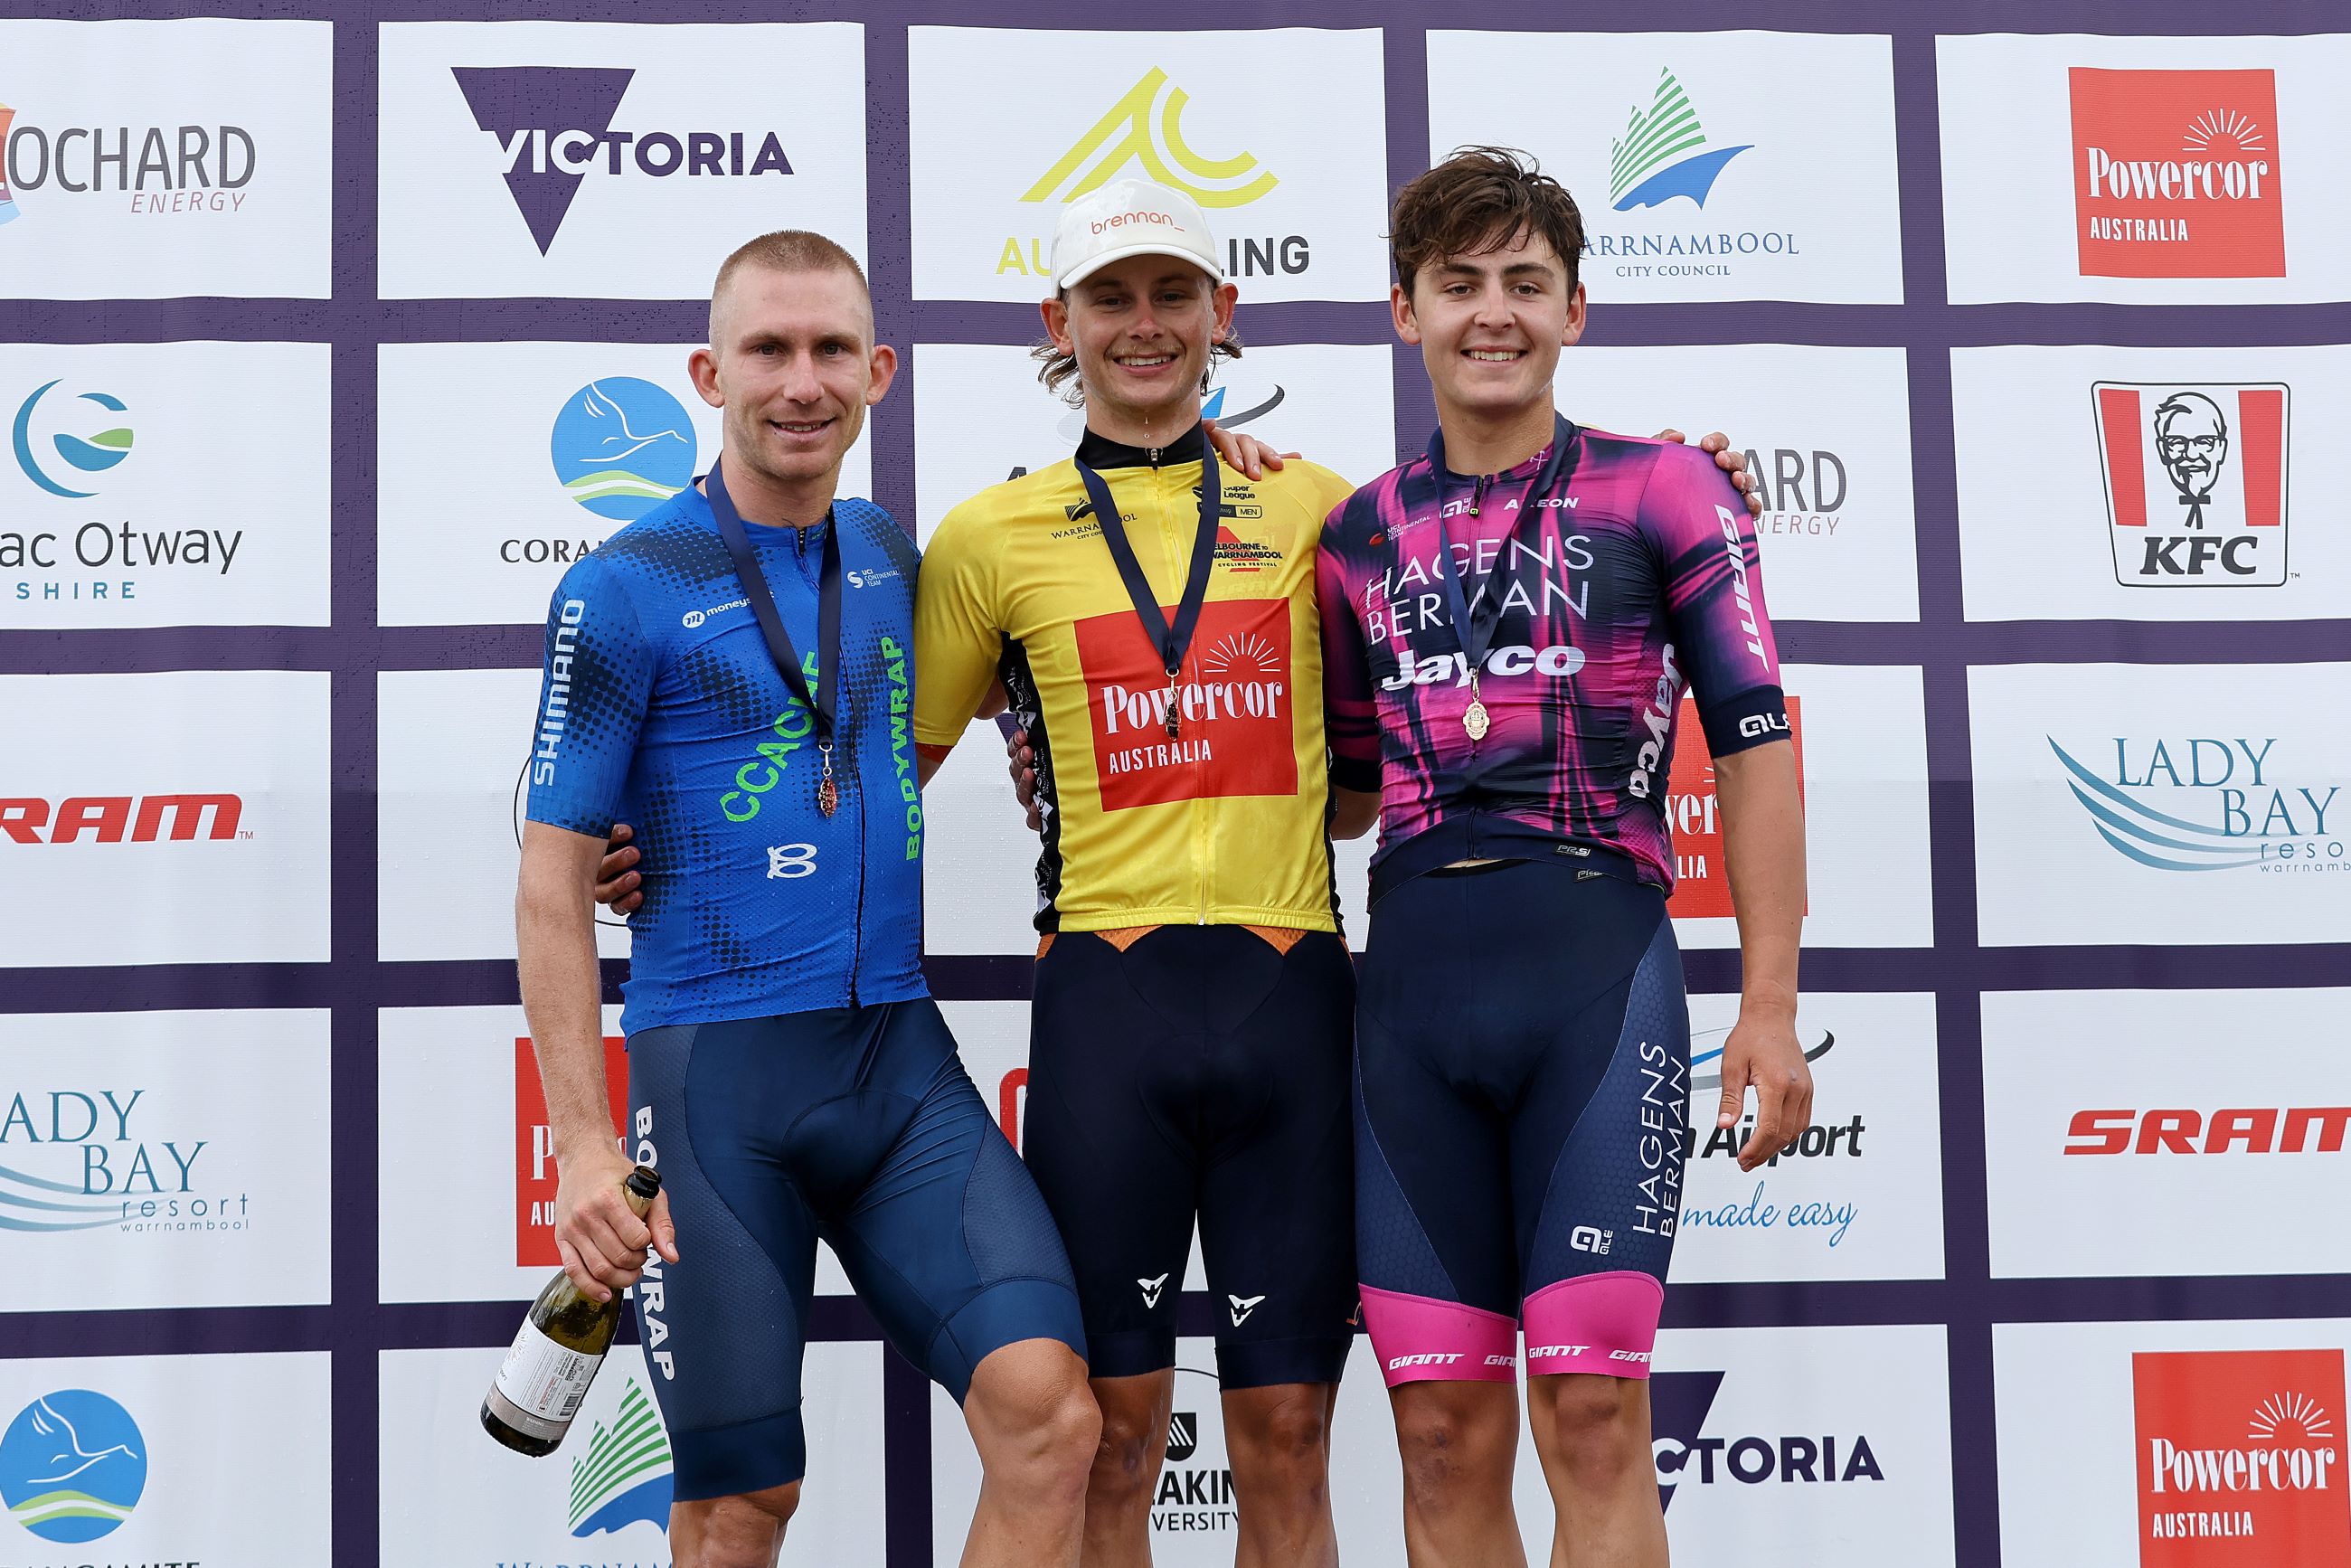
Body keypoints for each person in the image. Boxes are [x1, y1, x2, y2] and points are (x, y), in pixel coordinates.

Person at [515, 229, 1099, 1568]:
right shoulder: (622, 587)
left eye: (832, 348)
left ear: (880, 370)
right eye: (767, 350)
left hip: (895, 1058)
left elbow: (1076, 558)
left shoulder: (895, 553)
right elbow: (551, 888)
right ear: (707, 373)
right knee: (737, 1507)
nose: (801, 381)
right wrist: (585, 1146)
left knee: (1050, 1420)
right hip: (719, 1079)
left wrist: (1228, 446)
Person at [1315, 146, 1813, 1567]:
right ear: (1401, 309)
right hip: (1410, 986)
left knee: (1592, 1411)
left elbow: (1760, 747)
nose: (1493, 313)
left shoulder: (1666, 492)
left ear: (1577, 310)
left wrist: (1768, 1005)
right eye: (1457, 283)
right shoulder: (1352, 531)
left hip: (1595, 971)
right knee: (1437, 1435)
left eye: (1526, 284)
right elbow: (1349, 794)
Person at [911, 179, 1365, 1568]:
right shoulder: (991, 537)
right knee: (1113, 1441)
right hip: (1109, 1010)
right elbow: (877, 786)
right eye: (1112, 297)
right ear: (1061, 323)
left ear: (1225, 315)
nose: (1146, 323)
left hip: (1294, 999)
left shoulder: (1324, 515)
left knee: (1287, 1444)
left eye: (1176, 294)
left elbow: (1358, 793)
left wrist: (1702, 485)